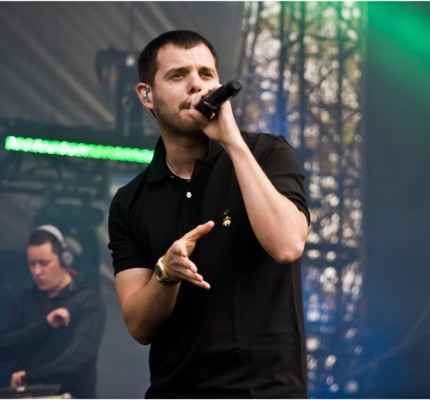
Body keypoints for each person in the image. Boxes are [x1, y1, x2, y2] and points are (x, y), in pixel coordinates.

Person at [108, 30, 310, 398]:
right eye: (178, 75)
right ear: (146, 95)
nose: (195, 85)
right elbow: (139, 326)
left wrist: (231, 142)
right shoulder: (129, 201)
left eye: (206, 74)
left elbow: (287, 245)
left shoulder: (267, 154)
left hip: (267, 390)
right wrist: (166, 274)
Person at [0, 225, 106, 398]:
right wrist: (45, 326)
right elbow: (4, 347)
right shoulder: (25, 298)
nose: (37, 271)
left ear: (65, 259)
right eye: (32, 264)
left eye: (44, 263)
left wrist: (32, 377)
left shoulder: (88, 299)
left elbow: (81, 354)